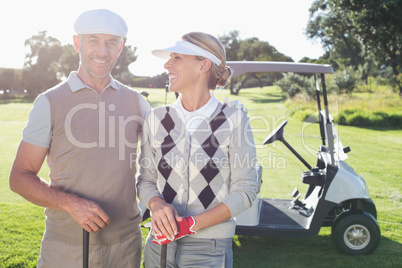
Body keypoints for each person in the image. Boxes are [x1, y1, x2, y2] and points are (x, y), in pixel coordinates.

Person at [9, 9, 150, 268]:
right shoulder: (49, 103)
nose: (102, 51)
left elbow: (163, 160)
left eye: (111, 43)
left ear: (120, 48)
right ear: (77, 44)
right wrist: (70, 203)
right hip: (67, 249)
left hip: (126, 247)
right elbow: (19, 177)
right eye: (93, 40)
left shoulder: (136, 102)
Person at [137, 32, 258, 268]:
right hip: (159, 245)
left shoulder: (233, 119)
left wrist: (191, 224)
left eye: (177, 58)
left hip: (209, 249)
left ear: (204, 65)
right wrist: (157, 205)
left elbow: (246, 190)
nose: (167, 64)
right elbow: (145, 180)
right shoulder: (156, 118)